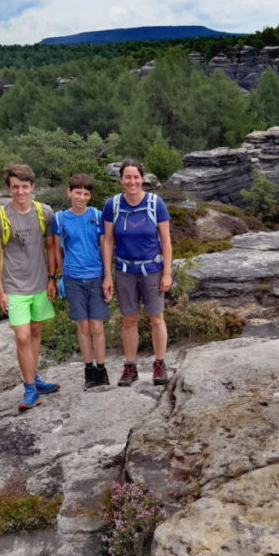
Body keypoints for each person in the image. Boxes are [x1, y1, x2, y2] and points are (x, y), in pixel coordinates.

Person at [0, 163, 60, 411]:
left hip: (39, 284)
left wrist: (51, 278)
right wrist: (0, 291)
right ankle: (29, 389)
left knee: (36, 333)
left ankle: (34, 378)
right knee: (22, 336)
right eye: (15, 187)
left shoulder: (44, 212)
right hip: (14, 286)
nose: (20, 192)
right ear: (8, 188)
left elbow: (50, 247)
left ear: (32, 187)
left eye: (24, 186)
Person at [101, 159, 172, 386]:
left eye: (136, 177)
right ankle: (130, 367)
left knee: (156, 317)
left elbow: (166, 240)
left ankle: (159, 364)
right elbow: (108, 240)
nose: (132, 181)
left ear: (142, 178)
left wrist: (167, 272)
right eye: (127, 177)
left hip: (152, 268)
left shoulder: (155, 203)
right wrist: (108, 275)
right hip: (124, 270)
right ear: (121, 179)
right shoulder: (112, 205)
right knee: (128, 320)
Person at [54, 173, 110, 389]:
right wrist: (60, 274)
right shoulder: (60, 219)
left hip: (95, 276)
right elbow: (57, 249)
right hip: (73, 278)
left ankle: (102, 369)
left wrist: (107, 276)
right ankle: (89, 371)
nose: (81, 197)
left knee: (97, 326)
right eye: (78, 192)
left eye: (86, 193)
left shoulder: (96, 216)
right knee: (83, 326)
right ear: (69, 192)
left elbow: (105, 247)